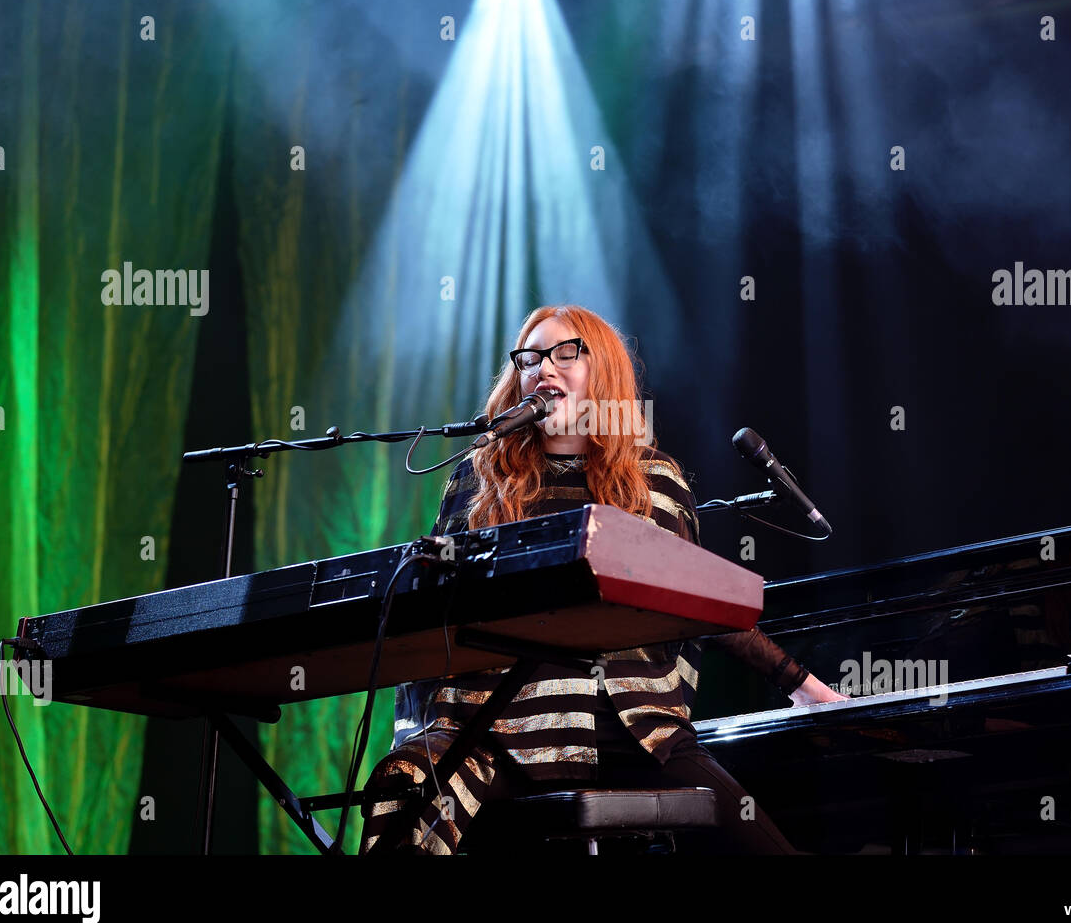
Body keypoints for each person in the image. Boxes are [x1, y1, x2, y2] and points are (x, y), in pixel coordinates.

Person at [359, 305, 846, 855]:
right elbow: (435, 604)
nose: (544, 368)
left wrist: (802, 686)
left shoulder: (654, 481)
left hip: (633, 727)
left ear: (605, 372)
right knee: (406, 781)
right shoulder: (478, 481)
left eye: (566, 353)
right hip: (498, 726)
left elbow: (700, 604)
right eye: (531, 357)